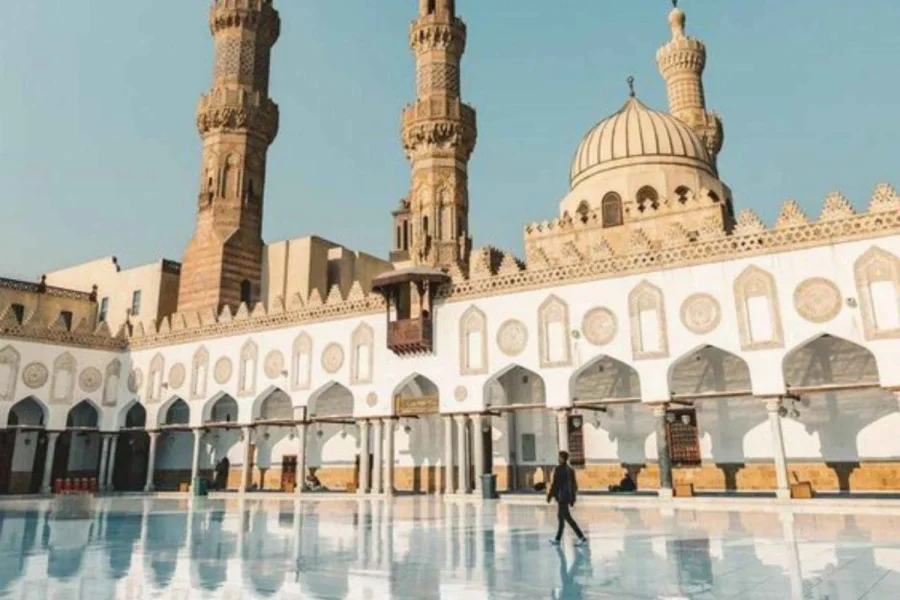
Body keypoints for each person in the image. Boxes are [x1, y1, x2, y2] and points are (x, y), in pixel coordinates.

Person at [547, 450, 588, 547]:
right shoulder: (570, 469)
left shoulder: (559, 469)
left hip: (562, 497)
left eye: (559, 457)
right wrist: (573, 498)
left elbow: (555, 484)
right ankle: (557, 539)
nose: (558, 459)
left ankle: (582, 537)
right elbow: (574, 486)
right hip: (567, 497)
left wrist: (550, 495)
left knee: (568, 519)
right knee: (561, 518)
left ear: (561, 458)